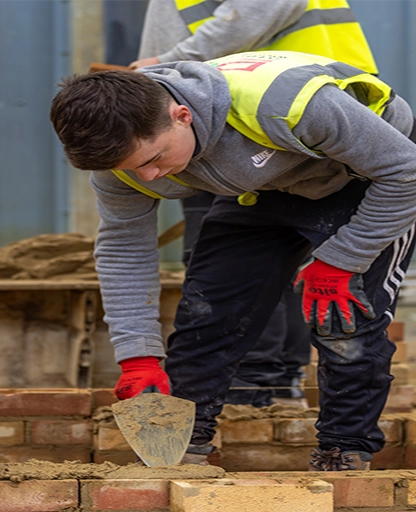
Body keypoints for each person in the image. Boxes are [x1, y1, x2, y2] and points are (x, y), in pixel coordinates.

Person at [50, 50, 416, 470]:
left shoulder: (289, 105)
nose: (148, 177)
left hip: (368, 178)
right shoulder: (121, 160)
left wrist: (343, 260)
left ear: (181, 115)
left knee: (344, 319)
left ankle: (343, 450)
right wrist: (137, 356)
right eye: (133, 168)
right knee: (208, 310)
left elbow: (415, 174)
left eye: (154, 159)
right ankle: (187, 443)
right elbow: (124, 251)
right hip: (261, 185)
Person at [129, 0, 381, 406]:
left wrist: (164, 66)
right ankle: (274, 382)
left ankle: (256, 385)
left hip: (265, 110)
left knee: (239, 259)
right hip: (218, 112)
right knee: (262, 253)